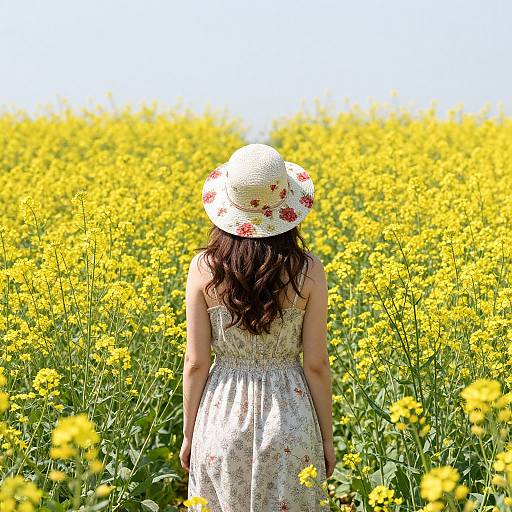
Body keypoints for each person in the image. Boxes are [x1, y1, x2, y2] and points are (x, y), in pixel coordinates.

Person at [180, 143, 335, 511]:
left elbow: (196, 362)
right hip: (289, 417)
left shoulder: (203, 268)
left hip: (221, 415)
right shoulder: (309, 270)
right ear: (287, 206)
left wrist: (189, 435)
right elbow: (316, 364)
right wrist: (326, 439)